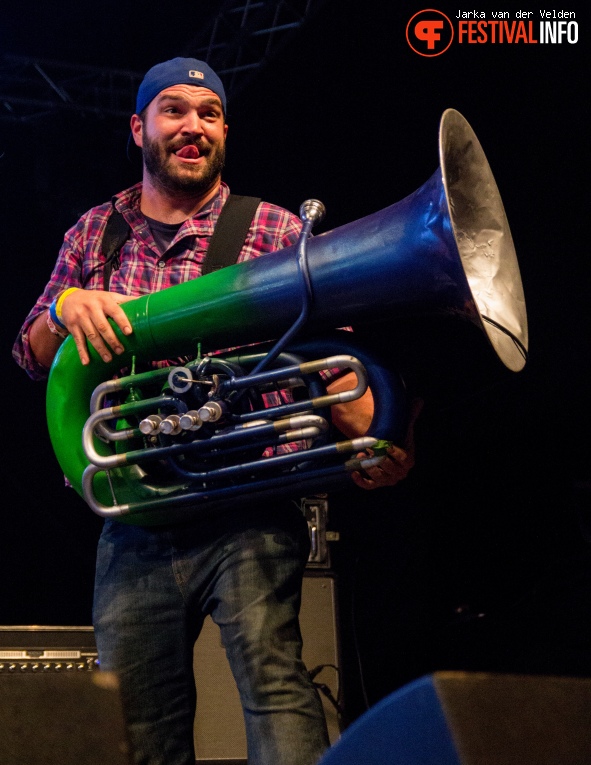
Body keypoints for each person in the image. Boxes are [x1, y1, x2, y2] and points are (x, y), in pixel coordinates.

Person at [13, 57, 417, 765]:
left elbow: (334, 362)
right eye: (173, 110)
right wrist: (66, 306)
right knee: (138, 728)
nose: (191, 126)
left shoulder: (272, 227)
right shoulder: (93, 233)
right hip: (134, 517)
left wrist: (372, 438)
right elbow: (30, 352)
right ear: (139, 127)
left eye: (208, 113)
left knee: (276, 687)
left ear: (224, 129)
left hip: (249, 507)